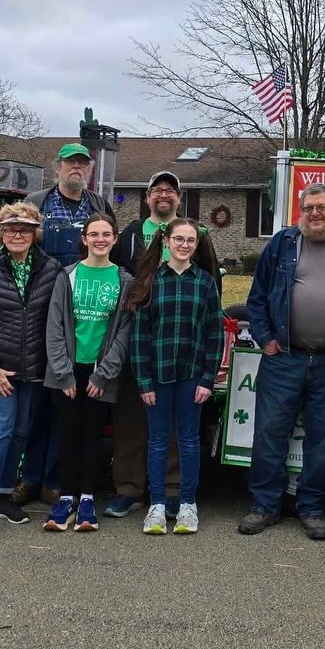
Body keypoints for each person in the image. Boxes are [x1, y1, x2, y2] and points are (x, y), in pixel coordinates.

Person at [238, 183, 325, 540]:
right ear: (301, 211)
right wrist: (265, 338)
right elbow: (258, 298)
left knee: (323, 439)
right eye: (309, 208)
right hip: (284, 357)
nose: (315, 214)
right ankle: (265, 505)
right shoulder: (282, 244)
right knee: (269, 432)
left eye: (322, 208)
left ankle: (312, 508)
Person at [19, 143, 114, 506]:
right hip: (42, 308)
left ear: (89, 170)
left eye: (83, 164)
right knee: (38, 405)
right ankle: (29, 477)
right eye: (70, 163)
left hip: (84, 315)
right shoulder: (38, 201)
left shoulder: (98, 206)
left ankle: (56, 480)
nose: (77, 169)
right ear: (57, 167)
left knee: (65, 404)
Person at [0, 202, 62, 541]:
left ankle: (4, 497)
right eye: (11, 229)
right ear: (1, 233)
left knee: (20, 433)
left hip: (33, 371)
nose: (17, 235)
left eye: (25, 229)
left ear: (35, 234)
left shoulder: (51, 269)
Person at [105, 169, 195, 519]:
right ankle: (129, 489)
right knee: (130, 419)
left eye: (170, 190)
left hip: (178, 339)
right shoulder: (128, 235)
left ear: (178, 198)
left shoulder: (193, 234)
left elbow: (209, 282)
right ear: (147, 199)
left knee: (172, 421)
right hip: (136, 337)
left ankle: (171, 489)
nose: (163, 194)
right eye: (156, 189)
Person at [125, 218, 223, 535]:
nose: (184, 245)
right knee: (157, 441)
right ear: (167, 241)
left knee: (189, 441)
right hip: (157, 375)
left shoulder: (205, 282)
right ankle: (156, 504)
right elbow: (139, 336)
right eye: (178, 239)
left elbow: (213, 334)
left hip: (192, 376)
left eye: (190, 241)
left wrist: (208, 379)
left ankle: (187, 504)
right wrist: (143, 381)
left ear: (196, 245)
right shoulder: (150, 281)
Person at [42, 213, 134, 532]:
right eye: (93, 234)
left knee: (92, 436)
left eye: (106, 234)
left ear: (114, 239)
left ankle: (87, 500)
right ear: (84, 239)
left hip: (100, 373)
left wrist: (103, 374)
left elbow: (123, 332)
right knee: (67, 433)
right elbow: (54, 327)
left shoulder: (124, 281)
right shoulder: (66, 276)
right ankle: (66, 497)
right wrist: (64, 373)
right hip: (66, 371)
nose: (100, 239)